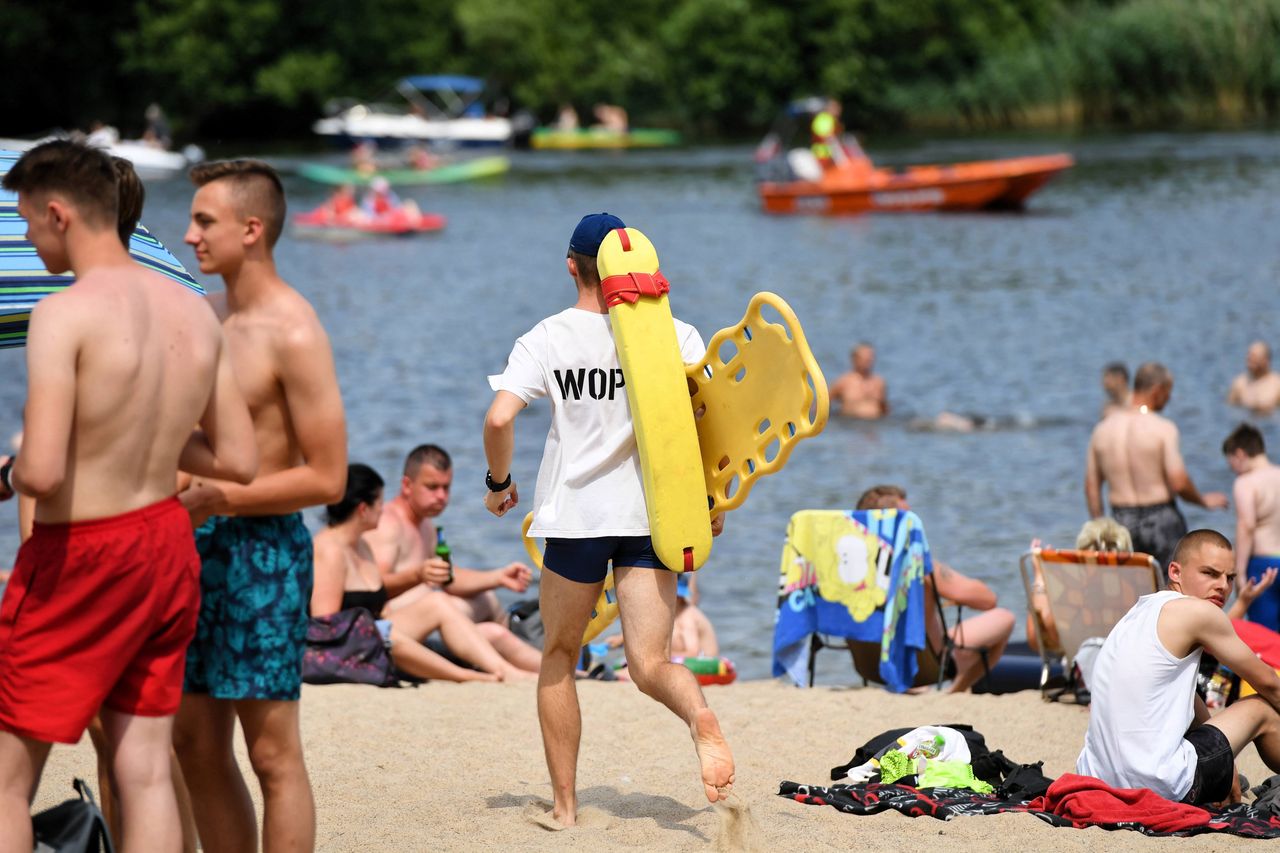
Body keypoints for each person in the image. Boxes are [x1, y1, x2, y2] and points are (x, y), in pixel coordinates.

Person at [0, 140, 258, 853]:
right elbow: (238, 457)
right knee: (143, 766)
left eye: (27, 221)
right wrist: (148, 430)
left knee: (6, 777)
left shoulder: (63, 314)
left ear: (60, 214)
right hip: (165, 544)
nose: (26, 236)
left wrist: (6, 473)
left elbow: (44, 472)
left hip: (82, 552)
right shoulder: (195, 312)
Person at [482, 212, 735, 826]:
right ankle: (699, 716)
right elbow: (712, 417)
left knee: (560, 656)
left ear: (571, 265)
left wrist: (500, 483)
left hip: (576, 519)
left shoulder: (546, 337)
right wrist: (711, 499)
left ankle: (566, 810)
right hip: (655, 516)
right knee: (650, 664)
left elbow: (497, 419)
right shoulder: (675, 334)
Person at [174, 159, 348, 853]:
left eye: (203, 221)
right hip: (191, 544)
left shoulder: (294, 329)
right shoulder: (204, 314)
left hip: (264, 551)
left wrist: (222, 494)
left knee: (272, 753)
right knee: (192, 742)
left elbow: (329, 477)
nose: (189, 235)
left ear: (252, 229)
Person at [1077, 530, 1280, 805]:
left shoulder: (1139, 611)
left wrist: (1225, 760)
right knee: (1262, 707)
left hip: (1099, 782)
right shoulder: (1199, 613)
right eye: (1210, 573)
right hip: (1158, 785)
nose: (1223, 586)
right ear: (1175, 571)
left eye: (1229, 577)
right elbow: (1269, 683)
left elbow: (1186, 697)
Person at [311, 464, 537, 683]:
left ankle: (563, 670)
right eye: (379, 502)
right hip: (353, 644)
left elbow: (379, 605)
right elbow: (326, 626)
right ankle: (494, 673)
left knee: (491, 632)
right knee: (435, 604)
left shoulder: (361, 545)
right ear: (363, 509)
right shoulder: (329, 549)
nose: (383, 508)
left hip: (381, 632)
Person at [362, 445, 541, 673]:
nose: (441, 496)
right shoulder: (389, 525)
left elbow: (448, 577)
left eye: (446, 487)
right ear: (407, 485)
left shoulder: (424, 524)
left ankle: (540, 657)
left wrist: (498, 577)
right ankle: (534, 671)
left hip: (432, 617)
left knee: (487, 598)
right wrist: (417, 576)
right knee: (491, 633)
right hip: (398, 630)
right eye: (432, 487)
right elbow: (373, 591)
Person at [854, 485, 1014, 692]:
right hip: (924, 664)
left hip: (869, 664)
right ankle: (954, 691)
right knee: (1004, 617)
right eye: (908, 519)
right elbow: (987, 600)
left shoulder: (850, 569)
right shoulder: (917, 564)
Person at [1085, 361, 1228, 570]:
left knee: (1130, 594)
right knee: (1173, 590)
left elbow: (1091, 487)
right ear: (1157, 390)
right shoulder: (1163, 429)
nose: (1169, 399)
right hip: (1161, 519)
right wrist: (1202, 501)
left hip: (1121, 520)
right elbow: (1179, 483)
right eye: (1168, 392)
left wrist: (1099, 526)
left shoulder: (1102, 430)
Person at [1223, 423, 1280, 628]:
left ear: (1239, 454)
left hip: (1263, 565)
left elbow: (1246, 526)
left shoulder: (1246, 483)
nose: (1235, 473)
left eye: (1233, 466)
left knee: (1265, 633)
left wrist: (1239, 573)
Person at [829, 342, 888, 419]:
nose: (868, 361)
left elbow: (885, 409)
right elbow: (822, 405)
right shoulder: (843, 382)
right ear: (854, 359)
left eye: (870, 358)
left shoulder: (879, 383)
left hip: (874, 427)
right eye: (864, 358)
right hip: (850, 426)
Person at [1228, 341, 1280, 413]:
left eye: (1254, 356)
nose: (1249, 360)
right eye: (1249, 356)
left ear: (1265, 360)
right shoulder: (1240, 383)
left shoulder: (1277, 385)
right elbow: (1229, 408)